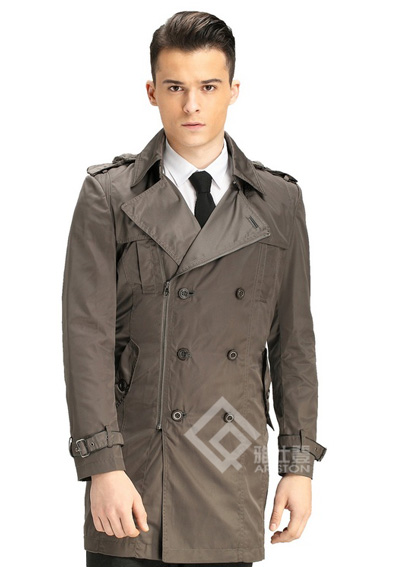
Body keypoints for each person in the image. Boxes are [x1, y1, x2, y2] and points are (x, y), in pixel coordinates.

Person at [62, 10, 327, 567]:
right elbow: (86, 341)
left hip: (231, 459)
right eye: (175, 87)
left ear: (233, 90)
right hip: (135, 466)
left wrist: (298, 466)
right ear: (151, 92)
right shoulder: (110, 196)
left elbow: (294, 343)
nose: (192, 106)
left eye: (208, 87)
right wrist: (102, 465)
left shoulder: (279, 202)